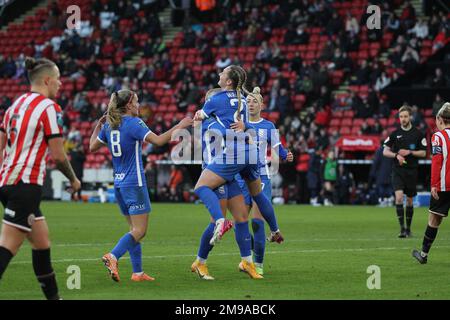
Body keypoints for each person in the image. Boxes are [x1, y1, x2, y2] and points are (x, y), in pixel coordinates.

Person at [89, 89, 192, 282]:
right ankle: (113, 256)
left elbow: (92, 146)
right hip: (134, 183)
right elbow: (160, 141)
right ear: (128, 104)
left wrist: (98, 125)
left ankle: (137, 273)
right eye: (136, 101)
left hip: (118, 184)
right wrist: (180, 125)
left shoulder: (110, 125)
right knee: (140, 230)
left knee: (133, 230)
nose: (139, 105)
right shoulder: (134, 123)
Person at [0, 57, 81, 300]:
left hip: (7, 183)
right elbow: (57, 155)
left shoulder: (14, 106)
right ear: (47, 80)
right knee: (7, 247)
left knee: (41, 242)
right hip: (26, 185)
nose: (61, 84)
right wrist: (74, 180)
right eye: (57, 79)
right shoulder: (49, 108)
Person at [193, 65, 283, 278]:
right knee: (243, 213)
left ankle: (232, 258)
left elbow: (203, 119)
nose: (219, 75)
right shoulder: (244, 99)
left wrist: (200, 116)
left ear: (228, 82)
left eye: (222, 73)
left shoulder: (213, 108)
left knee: (231, 212)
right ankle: (211, 261)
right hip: (241, 159)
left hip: (226, 165)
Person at [191, 88, 261, 280]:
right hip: (215, 173)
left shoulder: (220, 121)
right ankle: (200, 262)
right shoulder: (211, 123)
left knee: (241, 217)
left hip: (227, 173)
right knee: (217, 222)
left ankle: (247, 262)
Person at [235, 87, 293, 275]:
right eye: (249, 101)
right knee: (240, 222)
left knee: (257, 222)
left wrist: (286, 155)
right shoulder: (238, 123)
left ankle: (258, 264)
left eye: (254, 102)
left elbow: (279, 148)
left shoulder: (268, 126)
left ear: (262, 105)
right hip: (240, 177)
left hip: (260, 176)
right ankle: (248, 258)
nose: (251, 104)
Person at [413, 102, 450, 264]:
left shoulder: (438, 137)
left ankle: (423, 254)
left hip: (443, 186)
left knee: (434, 220)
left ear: (440, 119)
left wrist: (434, 184)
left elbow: (436, 162)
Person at [383, 105, 427, 238]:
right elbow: (385, 151)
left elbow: (424, 153)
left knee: (409, 201)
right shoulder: (394, 134)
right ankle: (402, 229)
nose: (403, 119)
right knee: (399, 197)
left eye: (405, 116)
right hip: (398, 170)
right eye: (401, 116)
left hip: (411, 171)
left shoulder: (418, 134)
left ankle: (408, 229)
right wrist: (397, 155)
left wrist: (410, 152)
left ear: (410, 117)